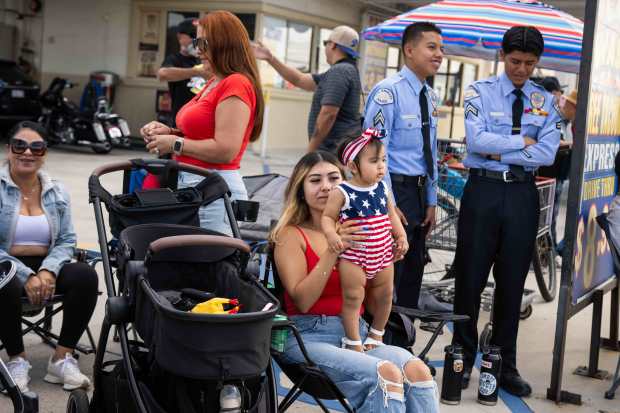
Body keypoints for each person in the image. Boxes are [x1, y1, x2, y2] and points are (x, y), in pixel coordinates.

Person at [271, 151, 439, 413]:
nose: (326, 186)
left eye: (333, 178)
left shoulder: (362, 227)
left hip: (356, 333)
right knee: (385, 375)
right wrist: (333, 249)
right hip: (307, 336)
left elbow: (372, 304)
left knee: (417, 371)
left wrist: (383, 260)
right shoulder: (291, 234)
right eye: (315, 180)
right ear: (301, 190)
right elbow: (302, 301)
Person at [452, 26, 561, 397]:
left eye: (530, 64)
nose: (522, 69)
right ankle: (462, 358)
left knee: (512, 283)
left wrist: (499, 150)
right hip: (482, 191)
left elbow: (546, 154)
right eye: (515, 61)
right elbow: (476, 140)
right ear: (503, 55)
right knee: (470, 278)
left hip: (522, 195)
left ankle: (503, 362)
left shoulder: (546, 102)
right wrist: (521, 141)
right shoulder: (478, 93)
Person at [141, 11, 264, 236]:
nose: (197, 49)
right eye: (196, 41)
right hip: (198, 186)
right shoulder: (216, 81)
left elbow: (226, 150)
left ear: (223, 43)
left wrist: (175, 143)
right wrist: (168, 132)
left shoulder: (235, 83)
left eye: (202, 42)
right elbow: (202, 131)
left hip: (212, 192)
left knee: (203, 266)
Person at [0, 121, 98, 393]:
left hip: (47, 266)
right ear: (9, 150)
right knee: (5, 281)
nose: (27, 153)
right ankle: (17, 360)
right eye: (20, 145)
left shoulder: (57, 190)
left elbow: (67, 240)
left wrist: (47, 271)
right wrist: (26, 274)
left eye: (36, 147)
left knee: (85, 275)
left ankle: (61, 358)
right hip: (5, 267)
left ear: (44, 153)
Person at [363, 22, 443, 312]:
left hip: (421, 194)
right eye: (431, 47)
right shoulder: (388, 93)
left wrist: (432, 200)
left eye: (441, 48)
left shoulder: (430, 97)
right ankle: (381, 340)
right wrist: (387, 203)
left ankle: (404, 342)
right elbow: (373, 153)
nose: (439, 54)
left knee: (413, 271)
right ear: (409, 50)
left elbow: (430, 151)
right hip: (394, 190)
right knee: (388, 275)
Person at [321, 129, 408, 352]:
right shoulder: (342, 191)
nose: (381, 166)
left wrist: (401, 236)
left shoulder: (382, 187)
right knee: (353, 297)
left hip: (383, 254)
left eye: (383, 160)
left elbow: (391, 215)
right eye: (373, 161)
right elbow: (328, 217)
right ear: (352, 166)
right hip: (355, 255)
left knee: (386, 293)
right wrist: (331, 235)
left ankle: (376, 333)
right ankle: (353, 340)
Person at [252, 26, 362, 153]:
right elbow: (299, 79)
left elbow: (328, 114)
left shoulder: (340, 71)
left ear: (332, 45)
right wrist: (270, 58)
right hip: (337, 149)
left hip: (331, 151)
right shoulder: (346, 70)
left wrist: (311, 151)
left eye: (325, 43)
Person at [157, 18, 210, 126]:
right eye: (192, 35)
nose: (196, 40)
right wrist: (196, 71)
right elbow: (163, 74)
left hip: (203, 121)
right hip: (182, 121)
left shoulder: (203, 59)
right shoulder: (175, 59)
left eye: (199, 37)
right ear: (180, 37)